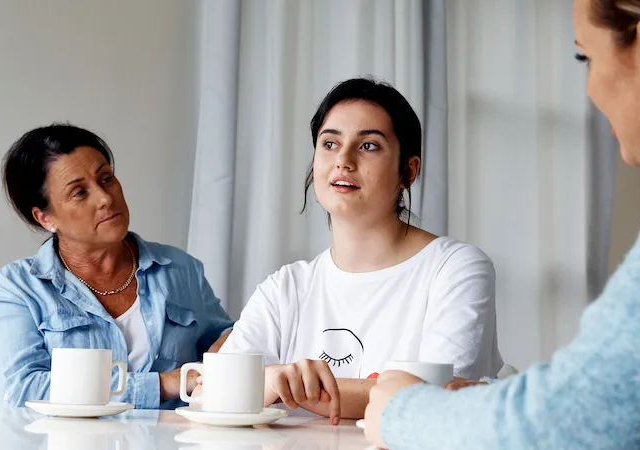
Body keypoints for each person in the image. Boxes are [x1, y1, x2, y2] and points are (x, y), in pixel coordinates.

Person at [363, 0, 640, 448]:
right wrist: (487, 403)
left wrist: (401, 411)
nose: (590, 90)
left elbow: (571, 427)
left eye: (587, 57)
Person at [214, 78, 503, 423]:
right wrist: (272, 378)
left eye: (368, 146)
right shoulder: (285, 288)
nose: (343, 160)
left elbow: (435, 397)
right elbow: (210, 391)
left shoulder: (456, 268)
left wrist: (284, 387)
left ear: (408, 171)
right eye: (330, 143)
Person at [0, 124, 234, 409]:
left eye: (106, 179)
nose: (105, 198)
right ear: (45, 218)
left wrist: (232, 347)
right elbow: (19, 391)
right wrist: (162, 384)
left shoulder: (179, 269)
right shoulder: (15, 289)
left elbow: (224, 339)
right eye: (79, 193)